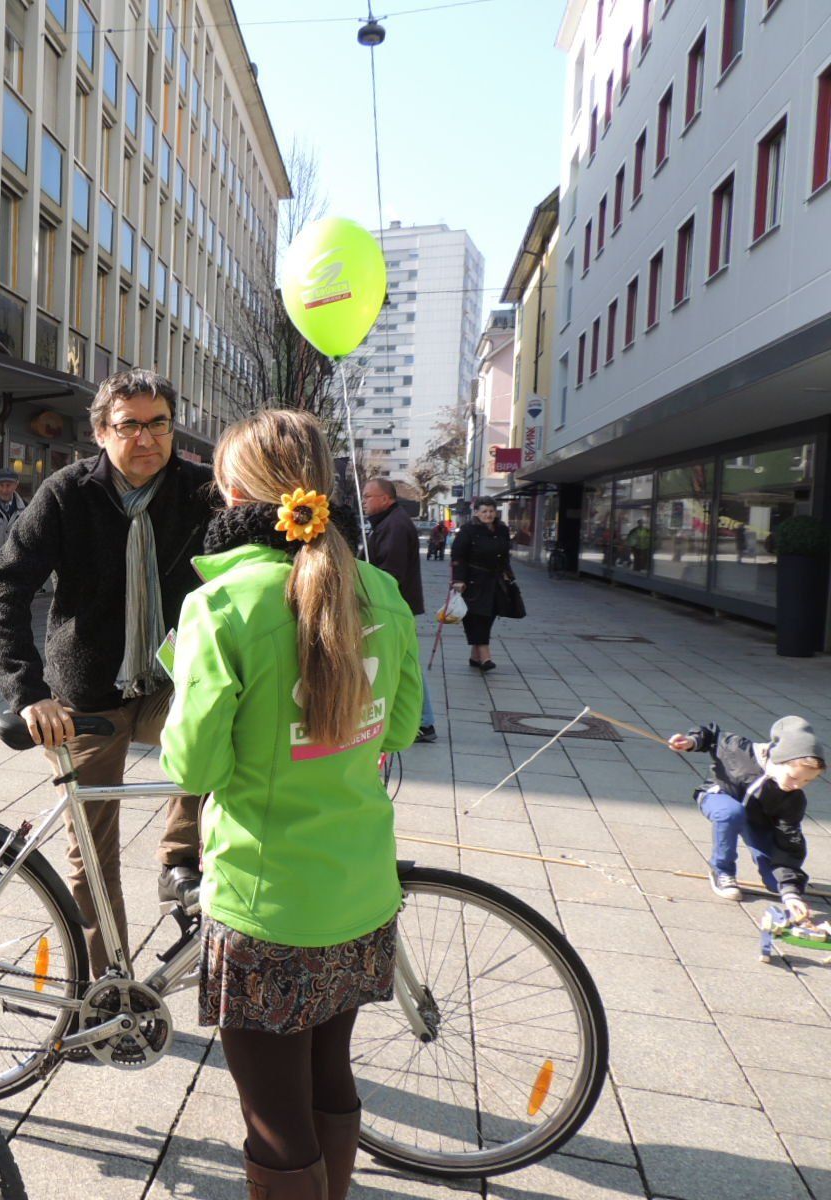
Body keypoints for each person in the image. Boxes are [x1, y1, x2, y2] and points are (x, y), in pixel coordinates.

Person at [159, 409, 421, 1200]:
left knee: (275, 1118)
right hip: (361, 891)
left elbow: (195, 764)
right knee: (329, 1078)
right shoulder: (379, 591)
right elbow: (399, 727)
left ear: (235, 491)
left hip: (266, 902)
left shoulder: (222, 606)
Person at [0, 367, 213, 974]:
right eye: (130, 425)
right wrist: (29, 692)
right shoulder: (66, 494)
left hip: (168, 685)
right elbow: (0, 593)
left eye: (159, 424)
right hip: (85, 694)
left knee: (229, 724)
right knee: (91, 851)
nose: (147, 438)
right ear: (102, 433)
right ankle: (107, 983)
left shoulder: (202, 491)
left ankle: (178, 859)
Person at [667, 716, 824, 910]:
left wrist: (790, 892)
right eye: (793, 777)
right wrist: (692, 741)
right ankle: (722, 872)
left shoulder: (793, 799)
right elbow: (713, 737)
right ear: (779, 760)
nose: (797, 785)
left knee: (777, 884)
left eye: (807, 781)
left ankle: (784, 885)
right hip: (719, 796)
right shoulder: (739, 749)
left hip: (756, 819)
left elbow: (789, 842)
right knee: (732, 813)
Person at [362, 477, 435, 745]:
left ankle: (424, 721)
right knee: (404, 660)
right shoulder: (388, 522)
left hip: (394, 605)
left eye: (368, 496)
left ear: (385, 499)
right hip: (395, 604)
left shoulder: (394, 525)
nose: (364, 501)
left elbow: (390, 572)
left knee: (405, 662)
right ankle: (422, 720)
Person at [449, 496, 521, 673]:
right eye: (484, 511)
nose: (488, 514)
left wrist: (508, 574)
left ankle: (475, 657)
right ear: (476, 512)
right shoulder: (468, 530)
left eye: (491, 511)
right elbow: (458, 556)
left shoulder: (501, 529)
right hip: (473, 581)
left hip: (496, 580)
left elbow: (504, 555)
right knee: (477, 617)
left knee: (489, 616)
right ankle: (485, 656)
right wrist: (458, 580)